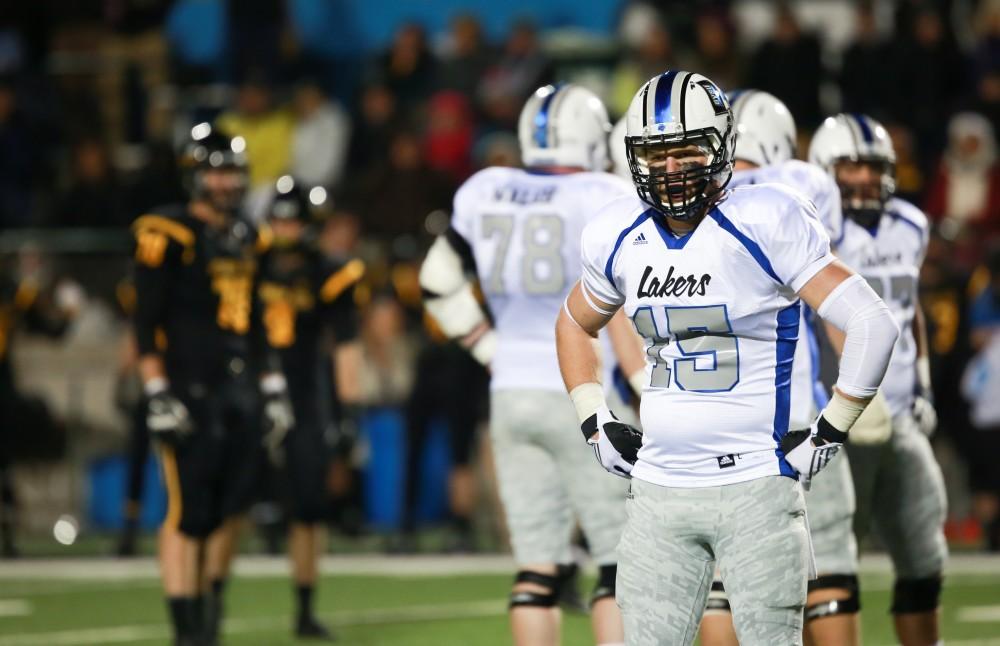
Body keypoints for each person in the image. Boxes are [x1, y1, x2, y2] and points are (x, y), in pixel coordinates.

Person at [556, 70, 899, 645]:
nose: (669, 168)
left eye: (686, 150)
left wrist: (832, 427)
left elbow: (871, 322)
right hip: (658, 489)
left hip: (757, 487)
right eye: (655, 153)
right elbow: (573, 322)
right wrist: (593, 416)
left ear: (720, 146)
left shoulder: (767, 218)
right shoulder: (617, 231)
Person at [419, 83, 640, 646]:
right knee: (619, 561)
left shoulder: (485, 189)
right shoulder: (606, 193)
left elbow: (436, 283)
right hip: (586, 389)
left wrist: (492, 351)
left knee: (537, 566)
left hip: (511, 390)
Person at [699, 89, 868, 646]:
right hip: (796, 413)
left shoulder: (680, 199)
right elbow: (837, 298)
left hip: (707, 424)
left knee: (722, 579)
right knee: (829, 571)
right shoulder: (802, 184)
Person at [131, 124, 292, 646]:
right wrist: (155, 390)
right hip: (187, 386)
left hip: (239, 387)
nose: (226, 183)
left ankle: (209, 618)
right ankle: (186, 631)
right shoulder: (167, 232)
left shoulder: (248, 235)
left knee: (230, 510)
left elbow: (259, 321)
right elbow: (144, 322)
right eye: (216, 171)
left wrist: (272, 387)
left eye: (232, 171)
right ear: (193, 176)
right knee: (187, 512)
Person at [810, 113, 949, 646]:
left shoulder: (910, 223)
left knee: (923, 554)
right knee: (827, 563)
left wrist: (922, 382)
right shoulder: (815, 228)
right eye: (852, 165)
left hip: (900, 415)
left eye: (874, 166)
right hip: (836, 416)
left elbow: (908, 307)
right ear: (825, 169)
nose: (866, 177)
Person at [257, 178, 365, 639]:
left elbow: (344, 346)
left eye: (292, 219)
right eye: (278, 219)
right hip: (248, 391)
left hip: (303, 393)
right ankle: (208, 605)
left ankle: (304, 607)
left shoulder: (327, 271)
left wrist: (346, 415)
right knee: (228, 506)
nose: (284, 229)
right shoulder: (247, 265)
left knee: (308, 508)